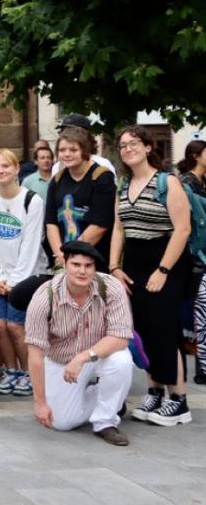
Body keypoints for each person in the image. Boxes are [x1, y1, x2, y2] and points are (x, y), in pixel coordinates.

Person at [110, 126, 193, 426]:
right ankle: (154, 391)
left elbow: (182, 229)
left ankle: (179, 400)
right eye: (122, 145)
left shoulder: (166, 181)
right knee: (143, 329)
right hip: (133, 264)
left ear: (147, 147)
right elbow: (119, 228)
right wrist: (114, 267)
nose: (128, 149)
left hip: (165, 262)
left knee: (165, 329)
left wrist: (163, 270)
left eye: (134, 143)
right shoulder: (123, 184)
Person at [24, 240, 133, 446]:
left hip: (98, 355)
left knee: (122, 360)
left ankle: (105, 421)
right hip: (61, 360)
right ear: (64, 266)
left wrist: (83, 357)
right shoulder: (44, 297)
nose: (82, 271)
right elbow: (35, 354)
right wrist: (39, 403)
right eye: (76, 265)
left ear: (94, 268)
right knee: (62, 422)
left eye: (88, 266)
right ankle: (108, 398)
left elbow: (120, 336)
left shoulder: (111, 287)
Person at [0, 149, 47, 397]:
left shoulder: (32, 201)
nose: (1, 171)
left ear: (17, 168)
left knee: (15, 326)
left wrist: (15, 281)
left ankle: (29, 373)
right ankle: (11, 371)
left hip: (25, 276)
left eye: (6, 166)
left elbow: (31, 244)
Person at [45, 126, 116, 268]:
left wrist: (71, 255)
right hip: (63, 260)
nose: (67, 154)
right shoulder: (57, 180)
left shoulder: (102, 177)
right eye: (62, 150)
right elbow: (50, 222)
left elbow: (101, 225)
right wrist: (60, 254)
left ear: (85, 150)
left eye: (73, 150)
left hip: (94, 260)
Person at [177, 141, 206, 384]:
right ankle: (201, 367)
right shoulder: (187, 183)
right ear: (196, 156)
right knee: (199, 310)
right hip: (195, 254)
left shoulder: (202, 181)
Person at [51, 114, 115, 177]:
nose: (66, 135)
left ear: (86, 136)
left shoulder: (102, 165)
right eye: (63, 131)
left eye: (72, 132)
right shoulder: (57, 168)